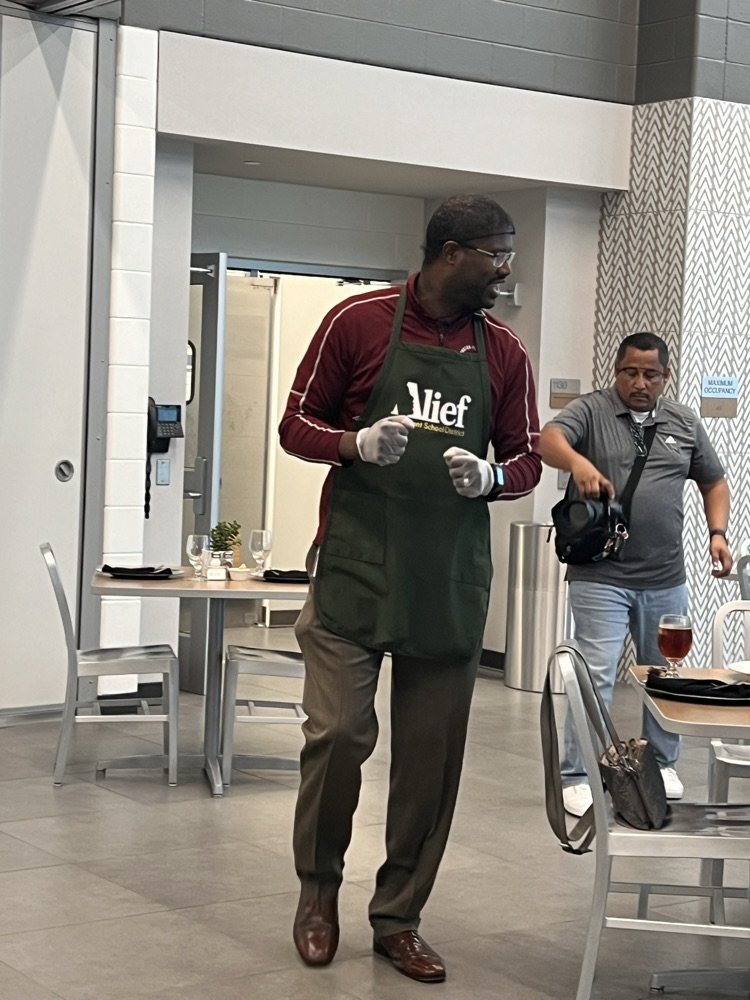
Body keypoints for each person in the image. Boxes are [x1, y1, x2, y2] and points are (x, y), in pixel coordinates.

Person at [278, 195, 541, 982]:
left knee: (431, 763)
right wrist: (353, 443)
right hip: (355, 571)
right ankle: (318, 893)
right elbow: (296, 423)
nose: (506, 269)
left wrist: (492, 476)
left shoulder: (505, 354)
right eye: (499, 254)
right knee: (337, 736)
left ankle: (398, 917)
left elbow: (526, 458)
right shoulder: (356, 322)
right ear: (452, 252)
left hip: (446, 581)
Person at [539, 331, 733, 818]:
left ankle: (663, 765)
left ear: (665, 376)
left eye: (651, 374)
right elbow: (548, 440)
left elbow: (713, 479)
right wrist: (579, 462)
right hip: (599, 575)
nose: (640, 382)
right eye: (631, 372)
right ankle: (577, 773)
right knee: (596, 676)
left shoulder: (684, 422)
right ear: (617, 371)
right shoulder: (591, 410)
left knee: (664, 675)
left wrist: (718, 533)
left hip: (664, 575)